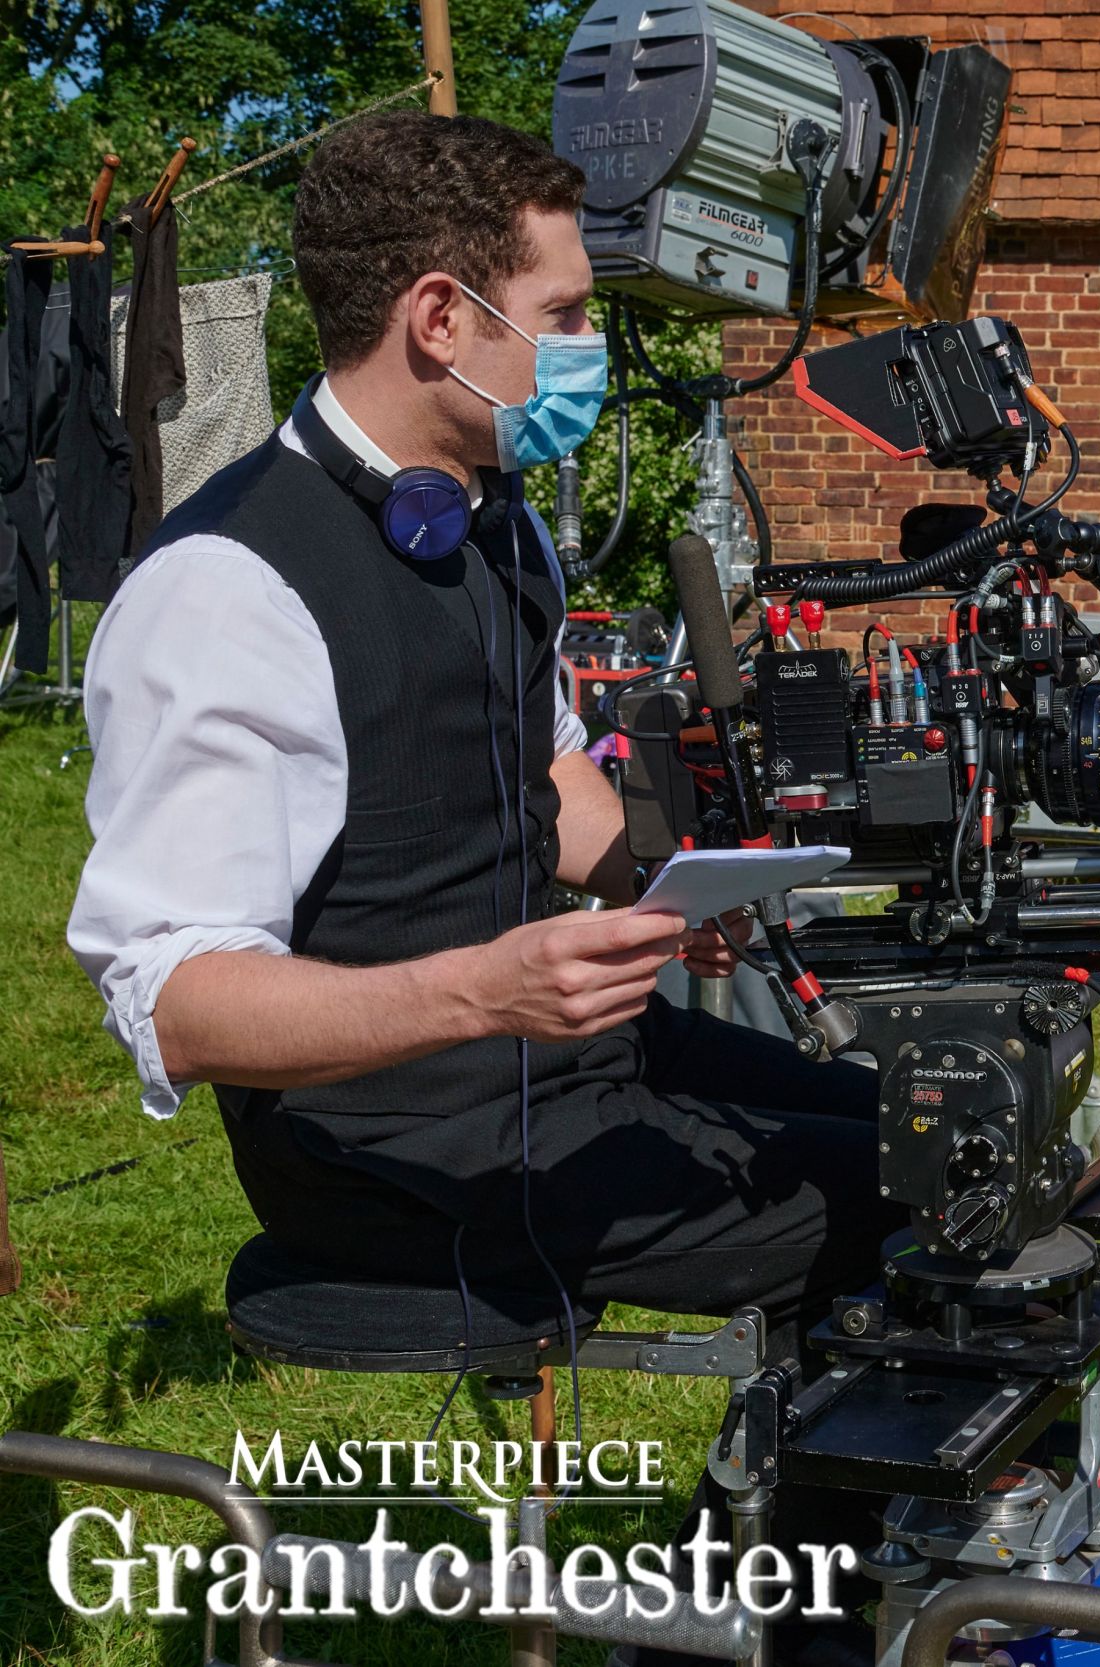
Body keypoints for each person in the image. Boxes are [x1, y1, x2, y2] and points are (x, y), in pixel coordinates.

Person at [66, 111, 896, 1332]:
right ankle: (800, 1512)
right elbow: (178, 1000)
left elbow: (544, 774)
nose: (587, 347)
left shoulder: (489, 518)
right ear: (442, 319)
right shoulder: (227, 586)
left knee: (930, 1129)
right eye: (562, 315)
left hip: (570, 1062)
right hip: (387, 1148)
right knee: (924, 1200)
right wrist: (489, 991)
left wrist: (671, 888)